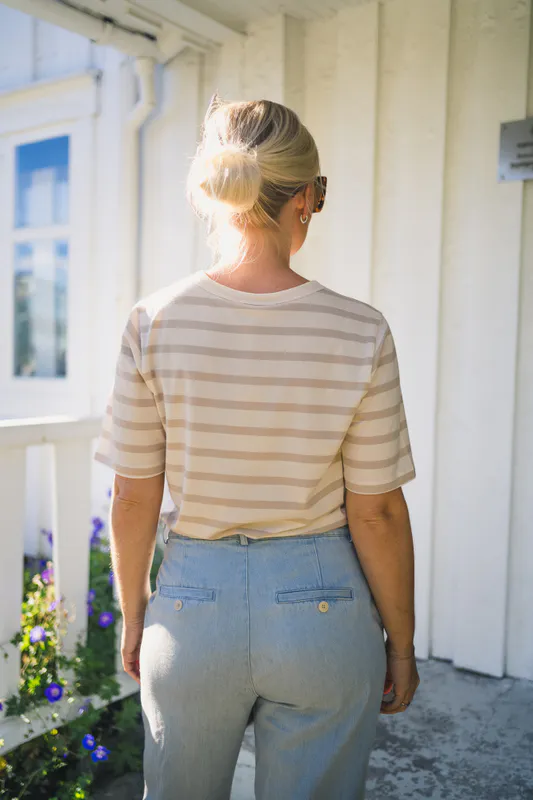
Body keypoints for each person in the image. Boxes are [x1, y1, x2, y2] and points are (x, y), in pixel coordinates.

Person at [95, 96, 420, 800]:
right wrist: (399, 642)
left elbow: (131, 493)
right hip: (324, 616)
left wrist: (135, 612)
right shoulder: (359, 330)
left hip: (192, 612)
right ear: (304, 198)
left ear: (217, 196)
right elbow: (378, 513)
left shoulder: (152, 322)